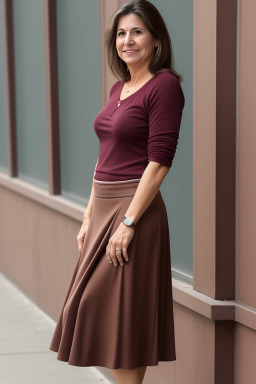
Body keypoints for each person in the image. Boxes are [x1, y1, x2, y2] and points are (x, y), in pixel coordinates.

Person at [49, 1, 185, 383]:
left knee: (118, 320)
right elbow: (103, 155)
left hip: (134, 213)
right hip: (104, 211)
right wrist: (89, 216)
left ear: (156, 39)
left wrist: (127, 222)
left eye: (138, 32)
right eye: (122, 33)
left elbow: (158, 162)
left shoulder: (165, 87)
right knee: (110, 317)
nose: (128, 40)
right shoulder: (119, 87)